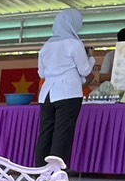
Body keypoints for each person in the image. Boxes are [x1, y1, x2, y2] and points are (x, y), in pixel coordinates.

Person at [34, 10, 93, 168]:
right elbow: (85, 70)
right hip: (68, 92)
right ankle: (57, 173)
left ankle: (41, 170)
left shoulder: (46, 45)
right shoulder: (74, 43)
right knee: (63, 132)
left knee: (45, 132)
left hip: (46, 94)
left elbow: (41, 73)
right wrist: (92, 59)